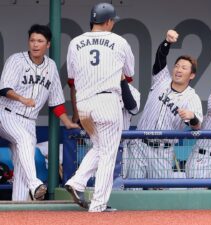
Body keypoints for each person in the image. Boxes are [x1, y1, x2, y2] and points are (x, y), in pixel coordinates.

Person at [64, 2, 135, 212]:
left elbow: (71, 78)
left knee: (100, 147)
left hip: (84, 104)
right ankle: (99, 205)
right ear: (108, 21)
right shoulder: (119, 41)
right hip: (107, 101)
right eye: (113, 21)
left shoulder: (75, 42)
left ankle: (76, 182)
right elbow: (129, 74)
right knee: (108, 153)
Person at [0, 24, 79, 201]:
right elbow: (4, 89)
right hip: (6, 113)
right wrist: (22, 98)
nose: (35, 44)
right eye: (32, 40)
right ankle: (35, 184)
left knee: (21, 163)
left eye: (40, 41)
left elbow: (56, 101)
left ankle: (18, 209)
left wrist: (67, 121)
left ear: (48, 45)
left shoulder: (50, 67)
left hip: (29, 121)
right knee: (24, 140)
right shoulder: (16, 60)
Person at [127, 29, 203, 181]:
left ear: (192, 75)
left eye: (184, 67)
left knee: (159, 197)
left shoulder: (192, 97)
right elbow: (160, 58)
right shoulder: (162, 80)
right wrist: (167, 43)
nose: (178, 69)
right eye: (177, 66)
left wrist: (192, 116)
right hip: (139, 144)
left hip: (163, 151)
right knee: (132, 191)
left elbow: (197, 125)